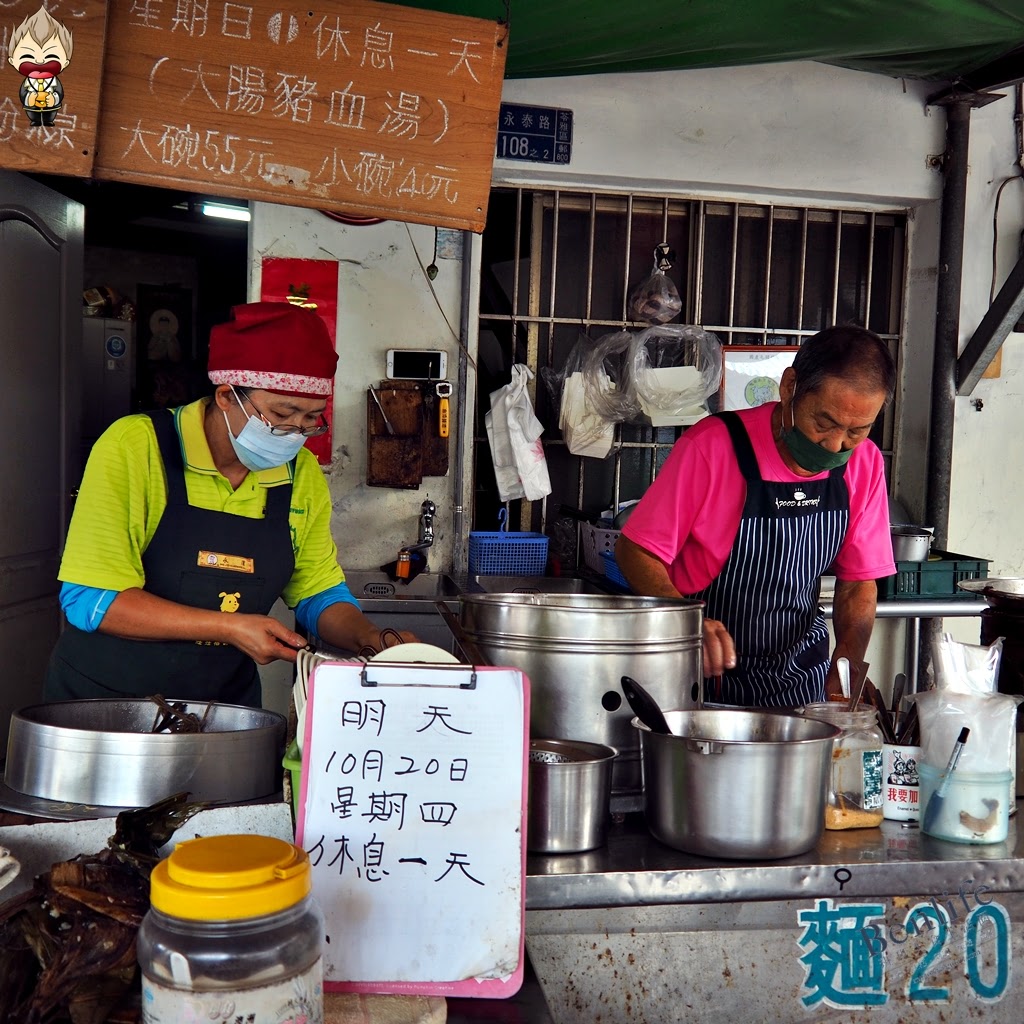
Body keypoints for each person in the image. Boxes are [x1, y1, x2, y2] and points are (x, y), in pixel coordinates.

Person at [45, 302, 416, 706]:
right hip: (107, 704)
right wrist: (230, 627)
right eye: (282, 413)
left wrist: (369, 636)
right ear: (226, 396)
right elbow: (91, 600)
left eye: (311, 418)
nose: (294, 432)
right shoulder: (135, 447)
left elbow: (317, 590)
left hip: (225, 708)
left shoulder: (300, 473)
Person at [616, 325, 897, 707]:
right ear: (789, 386)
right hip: (702, 682)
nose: (835, 445)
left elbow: (858, 583)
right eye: (824, 423)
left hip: (800, 683)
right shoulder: (713, 446)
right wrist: (687, 621)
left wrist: (847, 662)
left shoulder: (864, 464)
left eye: (857, 431)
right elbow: (636, 550)